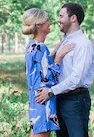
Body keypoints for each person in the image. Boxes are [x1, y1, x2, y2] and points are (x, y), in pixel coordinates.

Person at [35, 3, 94, 137]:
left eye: (61, 16)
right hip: (59, 98)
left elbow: (76, 79)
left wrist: (51, 91)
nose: (58, 20)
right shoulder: (63, 42)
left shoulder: (82, 44)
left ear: (73, 18)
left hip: (75, 100)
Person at [23, 8, 75, 137]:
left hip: (37, 98)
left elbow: (42, 66)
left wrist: (55, 52)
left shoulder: (33, 45)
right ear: (39, 25)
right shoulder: (40, 47)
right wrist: (59, 58)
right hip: (43, 99)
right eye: (47, 20)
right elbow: (48, 78)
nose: (50, 22)